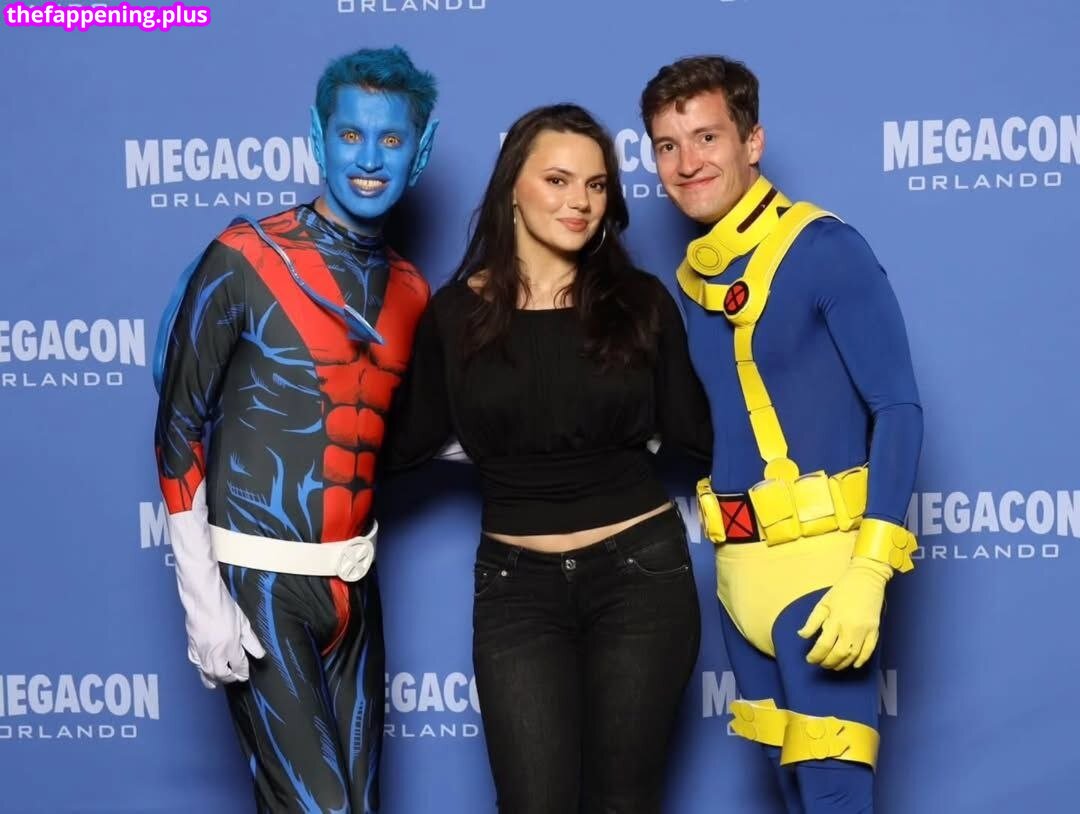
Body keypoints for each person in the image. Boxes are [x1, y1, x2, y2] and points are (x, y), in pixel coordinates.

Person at [385, 103, 712, 813]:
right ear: (513, 188)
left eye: (595, 186)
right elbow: (398, 442)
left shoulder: (640, 302)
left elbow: (700, 428)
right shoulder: (454, 316)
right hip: (516, 590)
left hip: (640, 579)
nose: (580, 203)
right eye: (558, 181)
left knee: (624, 805)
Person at [152, 46, 438, 813]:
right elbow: (178, 428)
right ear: (317, 137)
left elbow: (409, 434)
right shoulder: (244, 257)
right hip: (260, 587)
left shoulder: (413, 290)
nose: (370, 159)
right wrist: (202, 598)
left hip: (357, 590)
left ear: (421, 150)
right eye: (350, 135)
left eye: (391, 138)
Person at [640, 56, 922, 813]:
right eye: (667, 145)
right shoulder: (694, 281)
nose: (687, 162)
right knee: (792, 796)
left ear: (753, 141)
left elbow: (898, 409)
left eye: (707, 137)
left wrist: (869, 572)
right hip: (738, 578)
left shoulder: (826, 247)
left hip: (824, 571)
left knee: (833, 797)